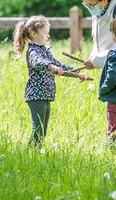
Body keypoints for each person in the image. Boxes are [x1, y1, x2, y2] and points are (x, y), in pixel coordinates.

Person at [13, 15, 88, 146]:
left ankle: (35, 153)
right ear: (34, 33)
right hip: (36, 95)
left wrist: (77, 73)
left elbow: (59, 65)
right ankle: (28, 153)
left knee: (43, 129)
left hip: (46, 95)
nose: (48, 36)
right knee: (38, 129)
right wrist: (51, 66)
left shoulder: (45, 51)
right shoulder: (33, 51)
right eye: (45, 33)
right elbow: (38, 62)